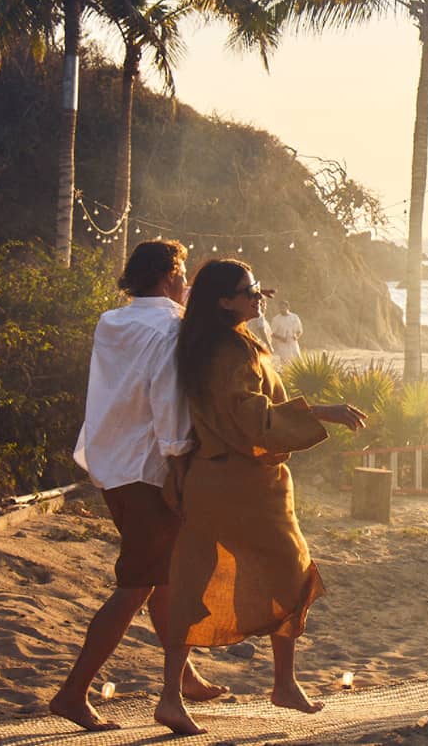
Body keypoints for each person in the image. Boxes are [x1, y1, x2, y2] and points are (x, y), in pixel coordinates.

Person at [154, 259, 367, 735]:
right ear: (225, 301)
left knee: (194, 581)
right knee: (288, 573)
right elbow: (253, 420)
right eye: (250, 291)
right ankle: (281, 683)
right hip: (243, 486)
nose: (259, 297)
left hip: (213, 481)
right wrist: (321, 412)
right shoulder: (229, 352)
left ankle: (176, 695)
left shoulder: (209, 344)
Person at [50, 240, 226, 731]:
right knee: (137, 585)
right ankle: (73, 691)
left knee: (161, 577)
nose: (186, 282)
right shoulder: (170, 327)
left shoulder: (114, 321)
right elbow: (167, 399)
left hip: (111, 462)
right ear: (170, 276)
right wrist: (179, 462)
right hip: (151, 471)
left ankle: (184, 677)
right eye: (183, 274)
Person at [269, 300, 304, 365]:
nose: (282, 309)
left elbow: (299, 330)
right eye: (280, 308)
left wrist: (296, 336)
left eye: (283, 308)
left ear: (287, 307)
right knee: (285, 362)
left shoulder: (294, 317)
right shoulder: (276, 319)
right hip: (282, 344)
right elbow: (271, 333)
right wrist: (281, 338)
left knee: (298, 360)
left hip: (293, 342)